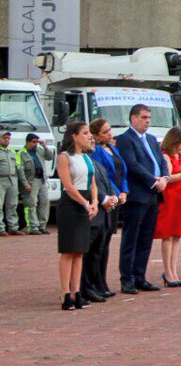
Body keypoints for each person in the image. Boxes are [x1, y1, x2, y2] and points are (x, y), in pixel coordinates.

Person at [114, 104, 168, 294]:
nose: (147, 121)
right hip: (138, 195)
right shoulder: (124, 139)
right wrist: (153, 181)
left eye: (149, 118)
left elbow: (161, 161)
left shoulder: (152, 139)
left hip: (153, 196)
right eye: (144, 117)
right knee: (131, 238)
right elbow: (132, 164)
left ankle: (140, 276)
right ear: (133, 118)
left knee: (146, 238)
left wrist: (164, 178)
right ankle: (126, 278)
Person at [56, 122, 97, 309]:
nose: (89, 137)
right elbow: (69, 185)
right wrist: (85, 203)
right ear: (74, 135)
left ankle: (76, 291)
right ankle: (65, 293)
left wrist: (95, 202)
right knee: (68, 250)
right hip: (71, 204)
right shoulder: (65, 157)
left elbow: (92, 183)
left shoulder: (87, 157)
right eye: (85, 133)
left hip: (85, 202)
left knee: (79, 250)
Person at [155, 126, 181, 288]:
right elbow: (169, 177)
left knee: (178, 235)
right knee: (168, 235)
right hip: (170, 197)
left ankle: (173, 270)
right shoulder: (166, 157)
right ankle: (167, 270)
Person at [88, 120, 125, 297]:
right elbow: (103, 177)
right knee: (98, 245)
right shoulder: (95, 152)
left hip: (116, 198)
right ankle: (94, 281)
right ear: (96, 136)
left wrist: (124, 190)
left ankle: (101, 279)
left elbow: (121, 171)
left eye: (110, 130)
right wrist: (114, 194)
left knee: (106, 242)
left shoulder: (113, 148)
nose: (110, 134)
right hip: (107, 198)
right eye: (105, 132)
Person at [82, 134, 119, 303]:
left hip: (103, 213)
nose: (92, 141)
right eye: (87, 137)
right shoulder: (81, 161)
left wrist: (113, 197)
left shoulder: (96, 162)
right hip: (91, 212)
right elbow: (86, 185)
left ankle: (95, 284)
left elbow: (107, 182)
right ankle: (85, 287)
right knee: (87, 253)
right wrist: (103, 199)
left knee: (98, 252)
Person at [17, 133, 53, 234]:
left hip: (41, 180)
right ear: (27, 142)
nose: (35, 144)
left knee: (45, 202)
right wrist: (25, 184)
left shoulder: (40, 149)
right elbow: (20, 170)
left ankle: (42, 225)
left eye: (37, 142)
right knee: (31, 203)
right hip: (31, 181)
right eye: (33, 142)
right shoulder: (21, 153)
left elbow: (50, 157)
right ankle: (33, 227)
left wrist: (45, 146)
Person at [0, 130, 25, 236]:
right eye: (4, 138)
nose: (6, 140)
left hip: (12, 180)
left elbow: (19, 168)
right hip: (1, 180)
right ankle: (1, 229)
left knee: (12, 205)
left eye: (8, 138)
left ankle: (13, 227)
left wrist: (23, 182)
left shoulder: (12, 152)